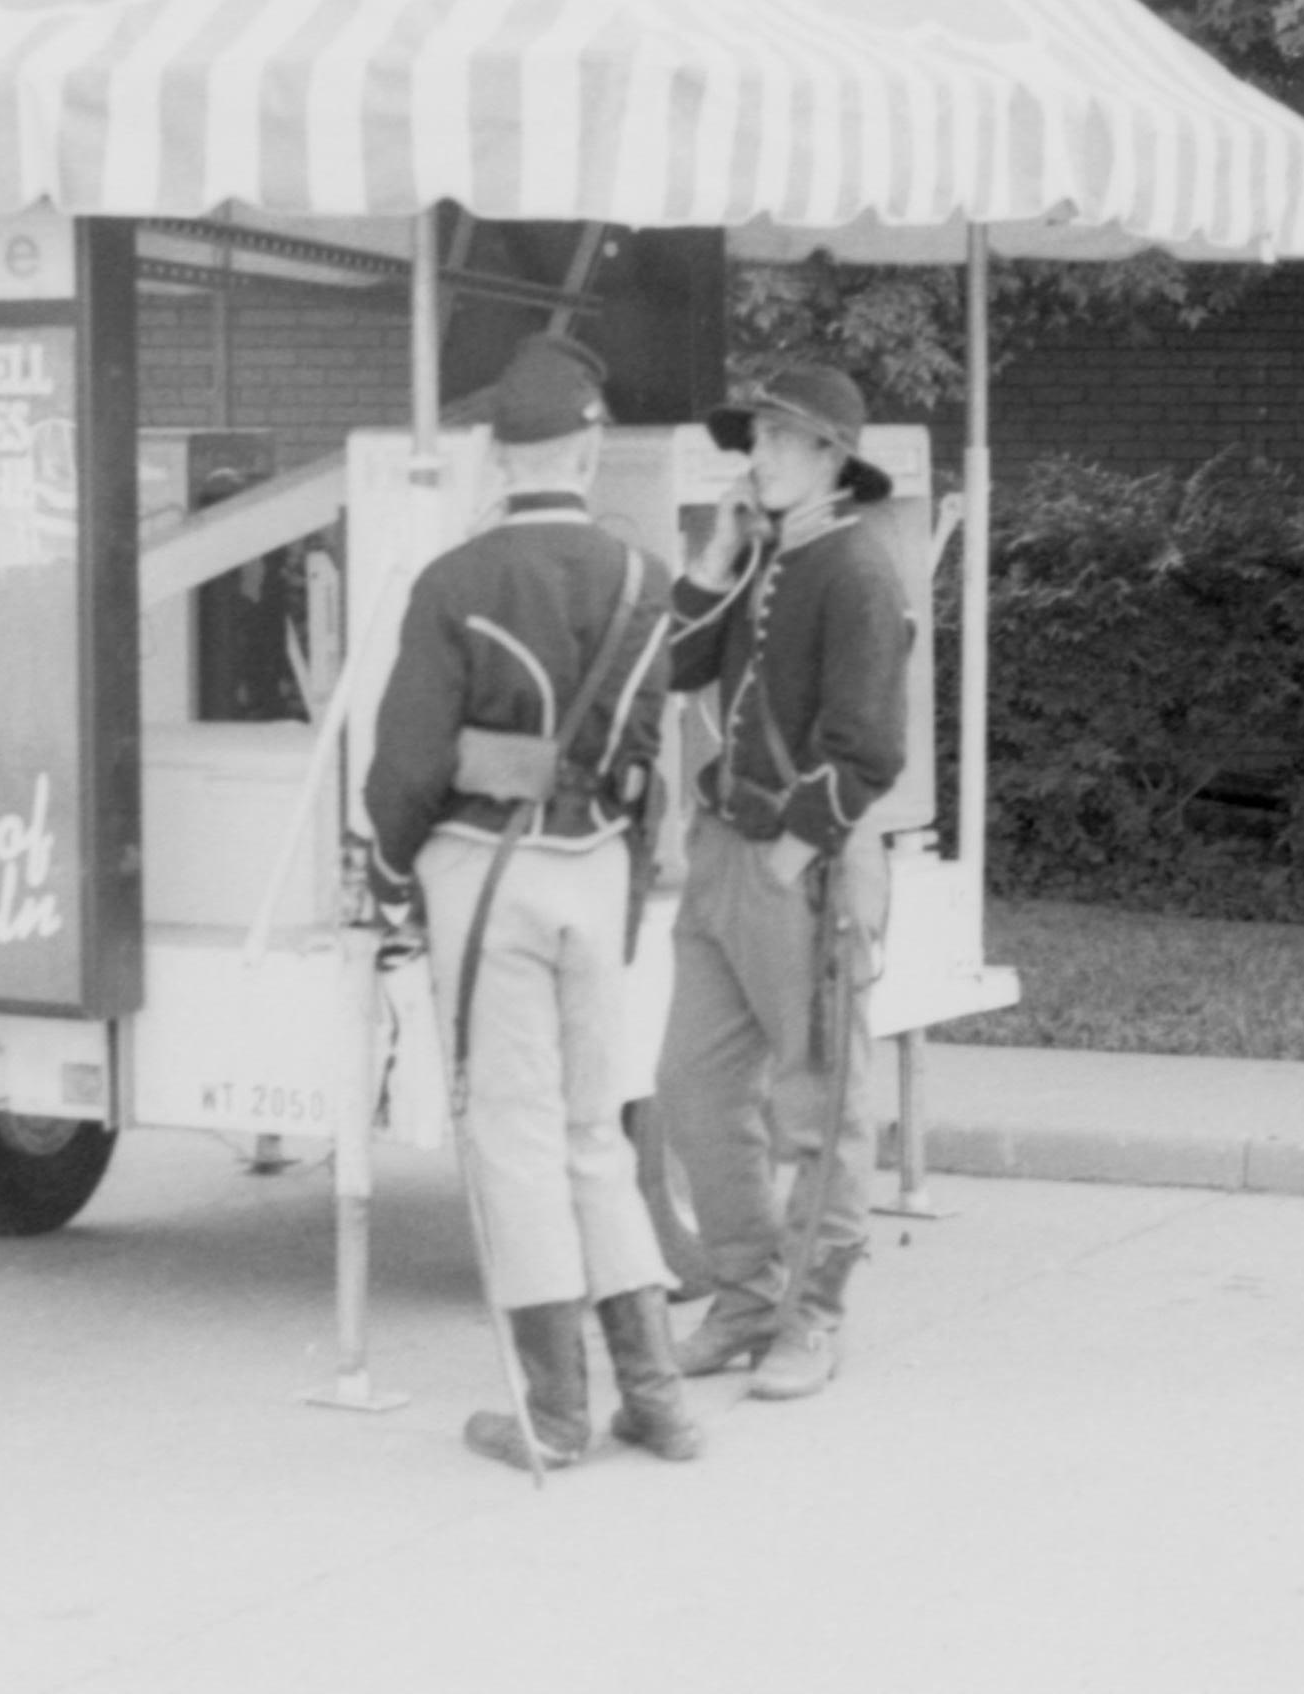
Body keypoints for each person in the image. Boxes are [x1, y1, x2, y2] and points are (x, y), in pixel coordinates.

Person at [361, 334, 699, 1474]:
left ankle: (553, 1413)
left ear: (500, 459)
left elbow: (405, 765)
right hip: (596, 865)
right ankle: (655, 1397)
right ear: (589, 449)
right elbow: (649, 755)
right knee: (591, 1131)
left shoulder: (454, 581)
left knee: (510, 1133)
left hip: (482, 866)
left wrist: (387, 865)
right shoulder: (645, 579)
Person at [658, 361, 911, 1402]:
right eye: (752, 437)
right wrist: (715, 559)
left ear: (827, 457)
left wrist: (792, 856)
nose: (750, 455)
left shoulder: (854, 567)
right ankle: (744, 1293)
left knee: (818, 1108)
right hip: (720, 850)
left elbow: (866, 749)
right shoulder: (762, 553)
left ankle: (810, 1314)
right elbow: (672, 667)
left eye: (770, 438)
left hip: (787, 866)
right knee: (694, 1087)